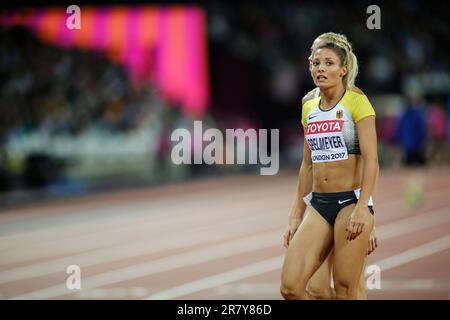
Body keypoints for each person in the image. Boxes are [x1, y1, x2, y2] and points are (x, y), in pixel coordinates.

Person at [280, 32, 379, 300]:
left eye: (328, 63)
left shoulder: (356, 101)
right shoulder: (308, 104)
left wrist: (364, 209)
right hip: (319, 204)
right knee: (290, 288)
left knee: (347, 289)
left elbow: (371, 160)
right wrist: (295, 213)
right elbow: (307, 163)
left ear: (343, 69)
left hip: (350, 202)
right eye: (315, 63)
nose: (320, 68)